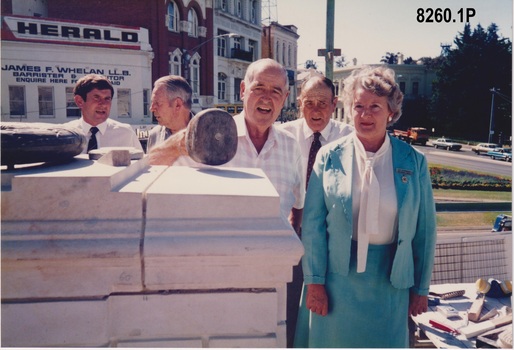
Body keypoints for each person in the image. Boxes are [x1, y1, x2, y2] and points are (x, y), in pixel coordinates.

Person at [294, 65, 437, 348]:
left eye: (375, 106)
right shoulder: (329, 156)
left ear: (391, 112)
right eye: (358, 106)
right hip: (335, 281)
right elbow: (312, 226)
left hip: (390, 283)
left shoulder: (414, 161)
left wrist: (420, 288)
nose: (365, 114)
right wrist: (314, 283)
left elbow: (424, 230)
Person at [149, 59, 305, 232]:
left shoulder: (291, 145)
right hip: (221, 255)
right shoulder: (209, 135)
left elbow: (298, 203)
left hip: (274, 256)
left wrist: (292, 237)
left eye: (276, 91)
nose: (266, 98)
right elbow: (150, 169)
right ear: (243, 90)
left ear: (284, 98)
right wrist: (177, 143)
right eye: (258, 88)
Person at [278, 75, 352, 347]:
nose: (316, 110)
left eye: (323, 103)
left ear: (334, 104)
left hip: (330, 242)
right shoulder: (284, 135)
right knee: (289, 305)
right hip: (291, 235)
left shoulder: (349, 139)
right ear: (299, 104)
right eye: (309, 103)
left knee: (326, 308)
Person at [64, 74, 143, 153]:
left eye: (107, 99)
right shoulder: (65, 135)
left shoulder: (126, 133)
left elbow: (141, 164)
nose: (103, 104)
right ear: (79, 101)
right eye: (96, 97)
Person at [146, 75, 193, 152]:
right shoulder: (154, 135)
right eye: (152, 103)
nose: (151, 108)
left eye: (158, 103)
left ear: (177, 104)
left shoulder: (208, 134)